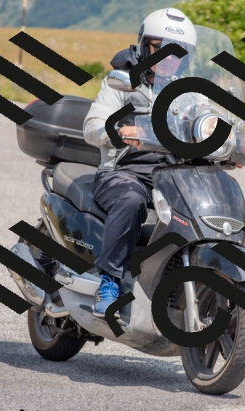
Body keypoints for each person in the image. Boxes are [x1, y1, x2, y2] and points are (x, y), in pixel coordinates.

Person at [83, 8, 197, 317]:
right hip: (124, 171)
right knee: (131, 200)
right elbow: (93, 126)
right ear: (144, 46)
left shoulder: (188, 93)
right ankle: (109, 282)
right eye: (160, 48)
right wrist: (119, 132)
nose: (169, 57)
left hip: (171, 176)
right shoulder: (122, 82)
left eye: (178, 51)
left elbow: (208, 123)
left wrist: (231, 145)